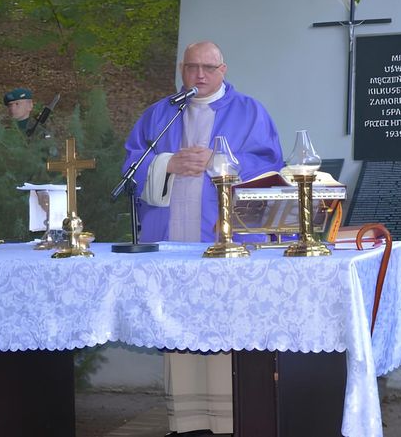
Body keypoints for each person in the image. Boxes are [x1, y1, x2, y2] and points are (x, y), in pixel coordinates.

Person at [121, 41, 283, 437]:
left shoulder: (249, 112)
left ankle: (232, 420)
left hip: (226, 242)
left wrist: (219, 161)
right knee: (179, 323)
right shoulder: (160, 113)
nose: (199, 75)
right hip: (171, 241)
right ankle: (187, 421)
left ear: (223, 69)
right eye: (191, 66)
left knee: (226, 320)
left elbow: (270, 168)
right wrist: (167, 163)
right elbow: (131, 166)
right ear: (181, 68)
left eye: (208, 67)